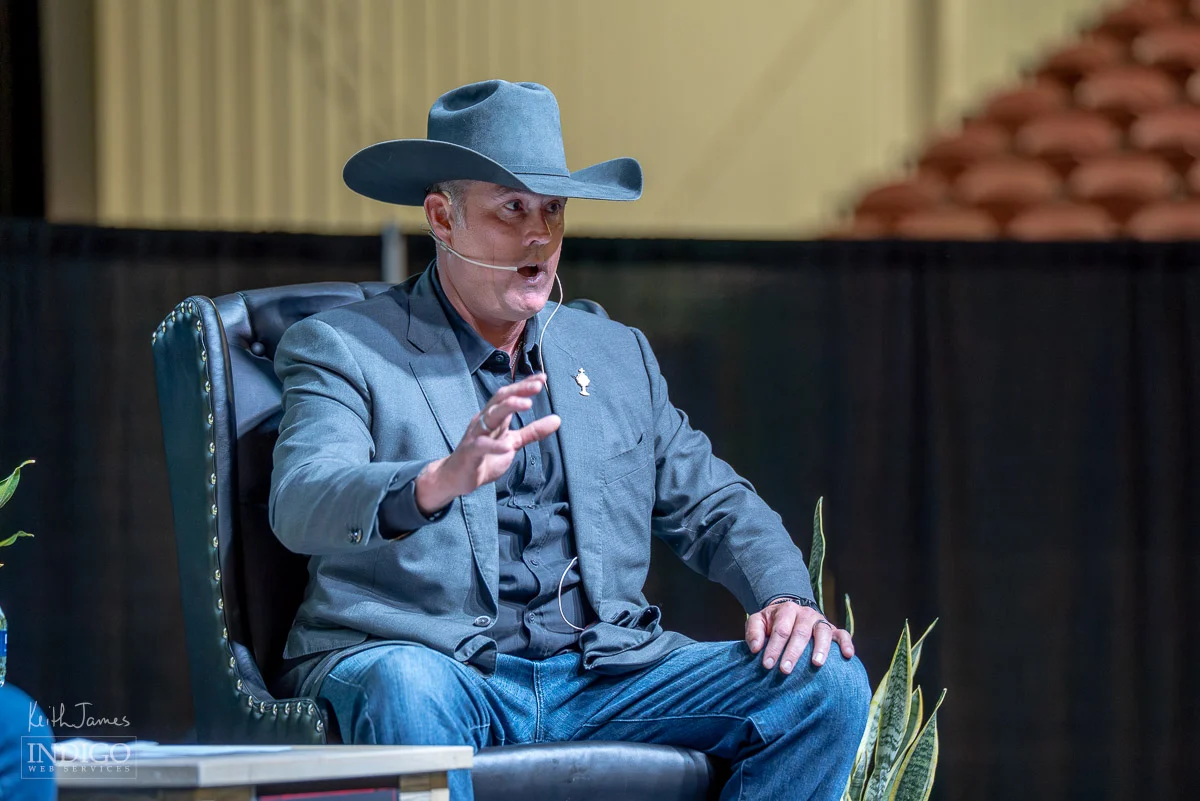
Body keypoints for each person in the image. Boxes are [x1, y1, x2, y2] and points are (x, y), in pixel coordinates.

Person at [270, 79, 870, 801]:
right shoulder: (345, 347)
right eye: (512, 209)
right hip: (437, 664)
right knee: (404, 686)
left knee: (824, 683)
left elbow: (714, 503)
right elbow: (301, 500)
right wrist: (435, 480)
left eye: (552, 212)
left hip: (601, 675)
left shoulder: (613, 355)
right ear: (442, 217)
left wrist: (784, 595)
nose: (539, 237)